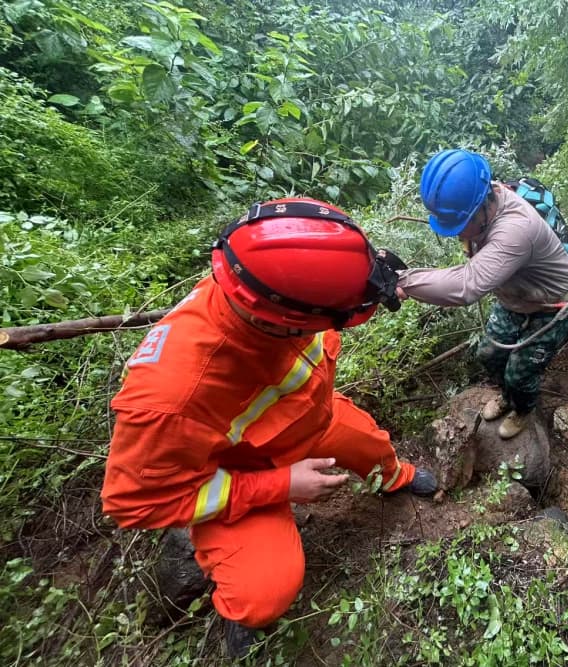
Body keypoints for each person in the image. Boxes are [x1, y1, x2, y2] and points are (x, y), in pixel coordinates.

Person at [100, 197, 438, 658]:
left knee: (371, 445)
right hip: (246, 465)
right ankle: (238, 610)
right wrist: (280, 485)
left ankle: (395, 478)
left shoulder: (278, 277)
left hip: (312, 418)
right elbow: (134, 503)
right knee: (264, 594)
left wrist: (380, 282)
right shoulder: (171, 397)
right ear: (286, 323)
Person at [395, 149, 568, 439]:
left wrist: (403, 280)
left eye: (462, 226)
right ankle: (508, 396)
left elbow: (466, 285)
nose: (458, 235)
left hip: (553, 306)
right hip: (516, 296)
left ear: (482, 207)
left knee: (519, 374)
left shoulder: (516, 230)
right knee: (488, 355)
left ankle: (523, 409)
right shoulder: (483, 197)